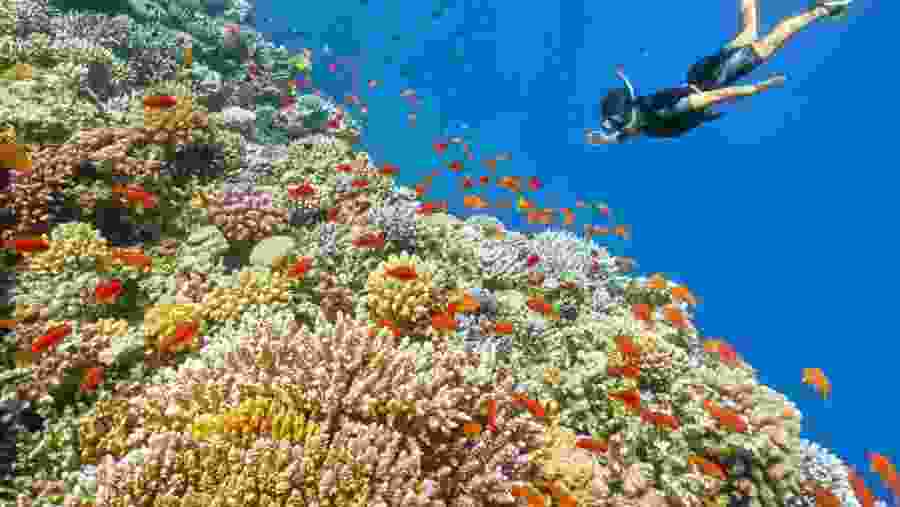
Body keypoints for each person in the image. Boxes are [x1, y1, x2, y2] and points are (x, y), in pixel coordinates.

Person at [586, 0, 853, 144]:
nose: (624, 132)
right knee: (749, 33)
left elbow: (715, 98)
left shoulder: (660, 114)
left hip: (712, 81)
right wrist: (604, 138)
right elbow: (621, 132)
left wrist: (754, 89)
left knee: (768, 43)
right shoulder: (639, 120)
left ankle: (823, 8)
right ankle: (822, 8)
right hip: (698, 75)